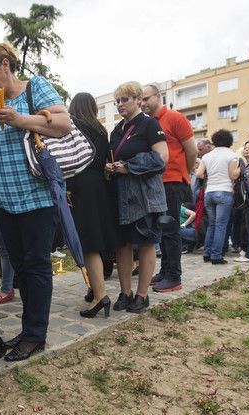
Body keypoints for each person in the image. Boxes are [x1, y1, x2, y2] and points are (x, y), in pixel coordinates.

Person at [0, 42, 71, 361]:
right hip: (4, 197)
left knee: (37, 266)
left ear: (5, 65)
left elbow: (61, 124)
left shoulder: (35, 87)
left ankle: (35, 335)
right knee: (21, 267)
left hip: (36, 196)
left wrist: (19, 118)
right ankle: (30, 329)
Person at [108, 81, 169, 312]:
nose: (120, 105)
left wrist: (128, 166)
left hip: (145, 196)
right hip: (121, 195)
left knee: (145, 244)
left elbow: (162, 158)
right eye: (117, 101)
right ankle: (125, 292)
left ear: (137, 100)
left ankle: (142, 295)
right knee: (122, 246)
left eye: (125, 100)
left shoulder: (149, 124)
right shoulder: (116, 130)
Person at [66, 92, 122, 318]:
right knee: (94, 241)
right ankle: (95, 289)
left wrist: (67, 188)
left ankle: (100, 295)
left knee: (88, 244)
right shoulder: (101, 129)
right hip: (99, 185)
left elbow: (69, 159)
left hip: (80, 185)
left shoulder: (72, 126)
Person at [141, 84, 195, 292]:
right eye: (141, 100)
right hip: (157, 182)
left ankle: (174, 276)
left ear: (158, 97)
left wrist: (184, 174)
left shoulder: (174, 118)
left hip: (173, 181)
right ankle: (165, 271)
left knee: (171, 229)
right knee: (162, 228)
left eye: (147, 99)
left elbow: (190, 150)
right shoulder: (148, 123)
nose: (143, 103)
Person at [194, 129, 239, 264]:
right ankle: (216, 256)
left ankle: (207, 253)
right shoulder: (232, 155)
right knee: (221, 225)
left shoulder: (207, 156)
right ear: (229, 141)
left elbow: (199, 174)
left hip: (209, 193)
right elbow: (233, 175)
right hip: (224, 191)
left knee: (212, 224)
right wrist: (240, 169)